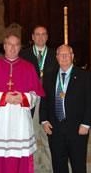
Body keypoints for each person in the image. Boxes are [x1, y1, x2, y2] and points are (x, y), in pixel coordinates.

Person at [0, 34, 45, 173]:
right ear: (4, 46)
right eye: (10, 44)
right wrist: (3, 97)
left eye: (16, 45)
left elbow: (36, 94)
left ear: (20, 47)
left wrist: (23, 97)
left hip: (20, 118)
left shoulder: (29, 67)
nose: (13, 48)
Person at [39, 44, 91, 173]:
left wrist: (86, 124)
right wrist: (44, 120)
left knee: (78, 166)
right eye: (61, 55)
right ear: (57, 57)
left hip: (77, 129)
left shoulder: (84, 75)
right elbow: (45, 100)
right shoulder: (49, 76)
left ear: (72, 56)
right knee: (58, 166)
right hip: (55, 129)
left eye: (67, 54)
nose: (64, 57)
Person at [19, 25, 58, 172]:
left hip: (50, 102)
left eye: (43, 34)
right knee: (33, 136)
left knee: (49, 136)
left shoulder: (56, 55)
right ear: (32, 37)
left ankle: (49, 169)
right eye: (38, 34)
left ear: (47, 37)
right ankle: (33, 168)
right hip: (32, 102)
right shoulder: (24, 55)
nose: (41, 37)